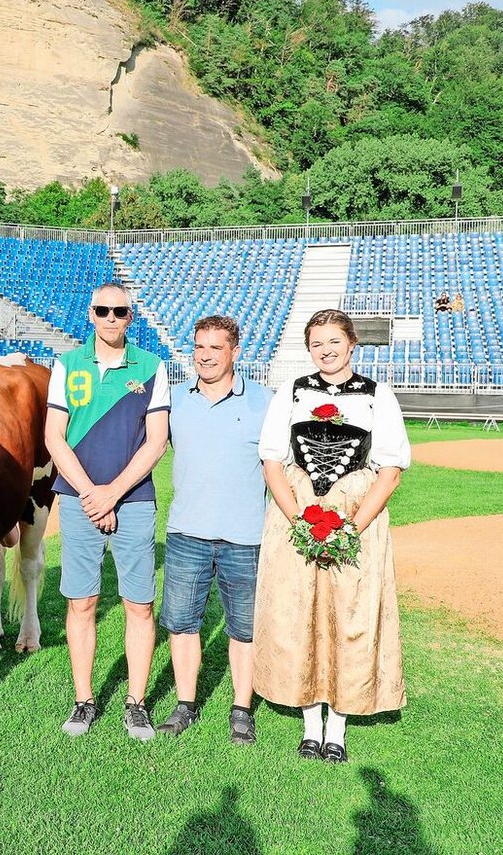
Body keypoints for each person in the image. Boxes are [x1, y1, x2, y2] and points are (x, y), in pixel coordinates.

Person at [254, 308, 411, 764]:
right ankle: (308, 725)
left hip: (354, 514)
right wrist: (301, 520)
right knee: (297, 611)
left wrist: (349, 529)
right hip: (297, 514)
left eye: (334, 341)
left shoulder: (376, 396)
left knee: (349, 613)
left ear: (352, 344)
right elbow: (272, 463)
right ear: (308, 348)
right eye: (317, 343)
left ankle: (337, 727)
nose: (325, 350)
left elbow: (391, 471)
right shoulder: (292, 392)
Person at [46, 282, 170, 741]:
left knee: (138, 604)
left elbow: (156, 442)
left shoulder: (152, 367)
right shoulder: (67, 365)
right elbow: (54, 438)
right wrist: (90, 494)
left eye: (120, 311)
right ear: (91, 315)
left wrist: (113, 493)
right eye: (103, 310)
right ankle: (84, 700)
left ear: (131, 316)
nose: (112, 318)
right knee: (83, 602)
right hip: (78, 500)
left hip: (133, 500)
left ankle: (136, 703)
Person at [156, 315, 271, 743]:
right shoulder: (174, 401)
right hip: (186, 534)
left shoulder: (265, 402)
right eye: (199, 347)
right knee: (182, 624)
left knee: (245, 628)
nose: (205, 356)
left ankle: (241, 709)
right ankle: (185, 705)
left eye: (215, 348)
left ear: (234, 352)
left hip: (246, 537)